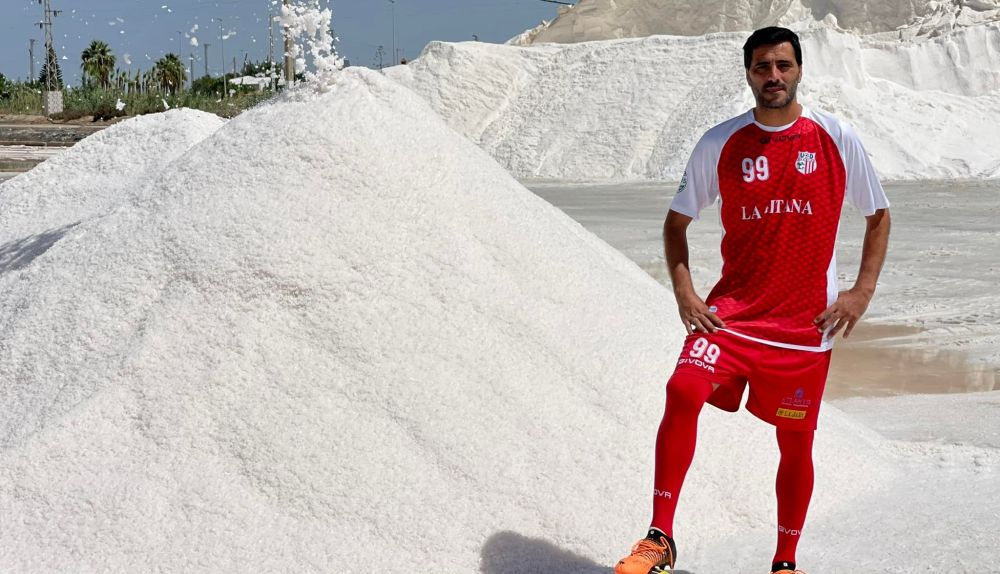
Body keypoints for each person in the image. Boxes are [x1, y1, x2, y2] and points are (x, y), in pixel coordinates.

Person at [615, 26, 891, 574]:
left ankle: (785, 561)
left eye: (783, 66)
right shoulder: (720, 143)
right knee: (682, 388)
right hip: (734, 318)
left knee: (796, 443)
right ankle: (659, 537)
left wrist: (861, 292)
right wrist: (685, 292)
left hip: (803, 329)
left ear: (799, 70)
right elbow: (676, 223)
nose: (773, 76)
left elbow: (878, 215)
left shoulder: (835, 137)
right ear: (748, 74)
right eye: (762, 67)